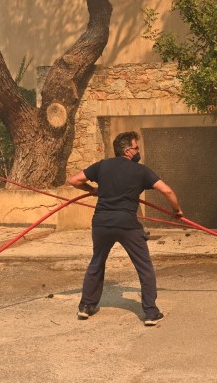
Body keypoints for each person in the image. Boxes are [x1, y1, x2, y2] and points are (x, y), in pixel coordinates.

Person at [67, 131, 184, 326]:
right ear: (128, 151)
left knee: (97, 261)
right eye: (137, 147)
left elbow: (74, 180)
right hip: (127, 225)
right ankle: (151, 312)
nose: (139, 151)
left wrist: (93, 190)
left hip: (101, 223)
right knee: (144, 267)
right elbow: (167, 190)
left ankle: (86, 306)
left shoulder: (102, 166)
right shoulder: (141, 171)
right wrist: (177, 210)